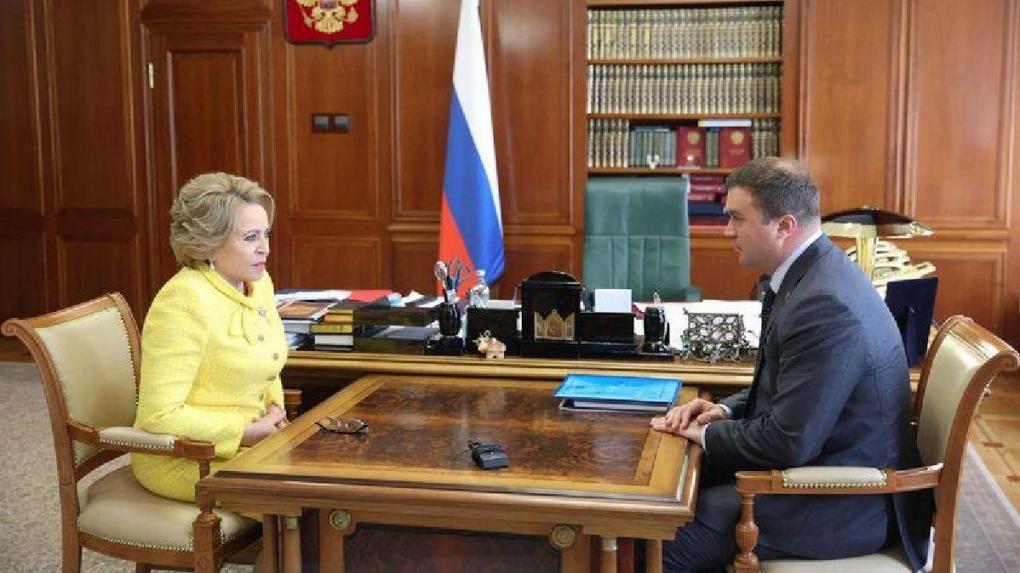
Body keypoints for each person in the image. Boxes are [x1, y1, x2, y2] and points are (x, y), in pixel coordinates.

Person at [651, 158, 932, 572]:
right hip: (818, 469)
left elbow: (788, 442)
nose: (727, 230)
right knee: (671, 490)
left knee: (649, 542)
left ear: (784, 225)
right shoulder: (810, 275)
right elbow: (791, 386)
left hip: (842, 504)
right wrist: (724, 410)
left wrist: (706, 433)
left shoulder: (825, 305)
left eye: (736, 218)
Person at [133, 172, 289, 503]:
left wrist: (275, 409)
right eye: (250, 237)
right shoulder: (183, 300)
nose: (264, 248)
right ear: (210, 244)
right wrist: (244, 432)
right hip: (187, 458)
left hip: (256, 443)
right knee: (302, 504)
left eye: (266, 234)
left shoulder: (258, 282)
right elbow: (159, 415)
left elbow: (267, 360)